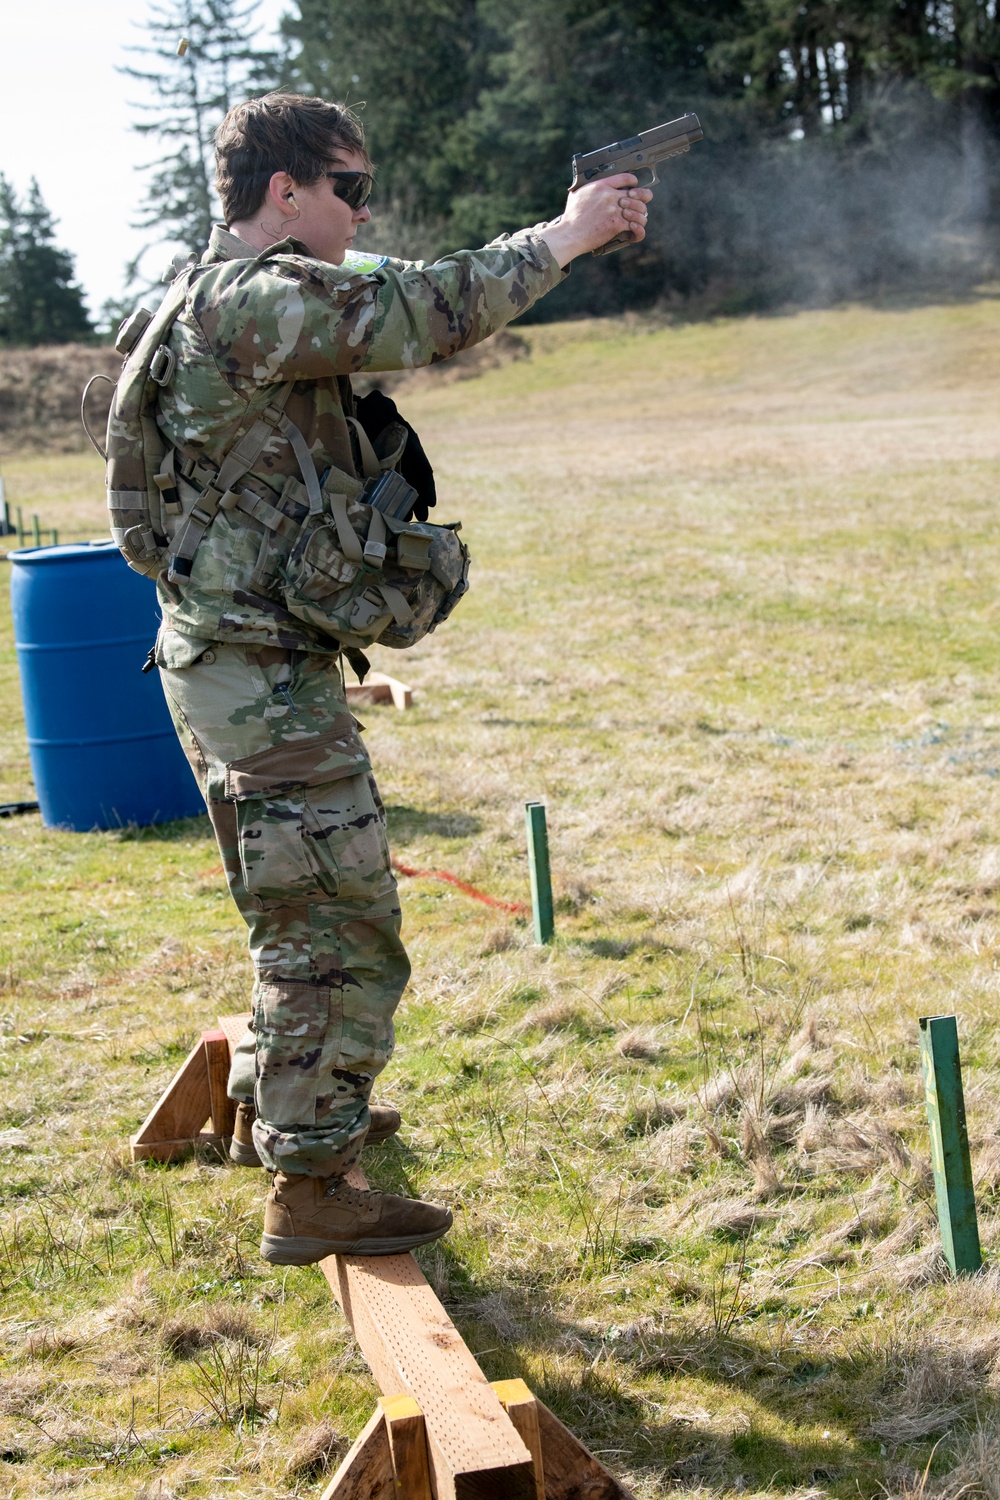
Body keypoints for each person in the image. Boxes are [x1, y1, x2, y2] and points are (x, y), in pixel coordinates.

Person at [153, 92, 652, 1266]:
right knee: (338, 929)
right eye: (349, 186)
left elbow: (402, 288)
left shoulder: (218, 293)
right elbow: (422, 308)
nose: (363, 209)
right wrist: (569, 233)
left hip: (250, 665)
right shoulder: (256, 300)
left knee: (308, 912)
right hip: (255, 676)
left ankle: (307, 1114)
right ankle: (312, 1187)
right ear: (287, 192)